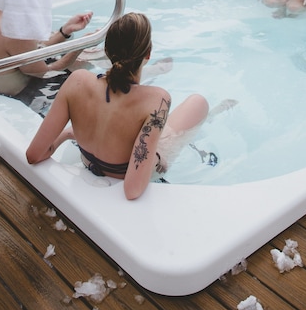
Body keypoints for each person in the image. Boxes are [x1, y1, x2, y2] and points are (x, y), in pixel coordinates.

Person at [26, 11, 209, 200]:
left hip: (90, 162)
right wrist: (156, 158)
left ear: (106, 50)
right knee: (198, 103)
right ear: (148, 53)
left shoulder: (77, 81)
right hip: (127, 172)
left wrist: (68, 133)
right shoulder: (158, 100)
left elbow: (34, 155)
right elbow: (132, 190)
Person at [0, 9, 94, 96]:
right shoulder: (15, 29)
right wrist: (80, 46)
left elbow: (31, 50)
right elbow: (45, 72)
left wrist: (65, 31)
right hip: (20, 94)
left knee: (79, 60)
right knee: (86, 65)